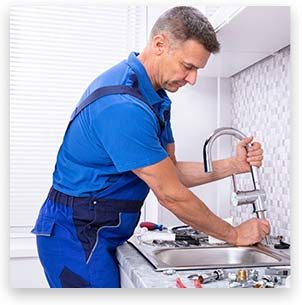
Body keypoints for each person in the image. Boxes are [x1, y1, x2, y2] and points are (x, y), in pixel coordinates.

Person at [31, 6, 270, 288]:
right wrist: (233, 234)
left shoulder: (153, 97)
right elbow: (170, 194)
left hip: (97, 231)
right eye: (188, 66)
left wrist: (232, 166)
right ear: (160, 45)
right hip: (75, 235)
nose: (192, 79)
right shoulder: (123, 106)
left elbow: (171, 172)